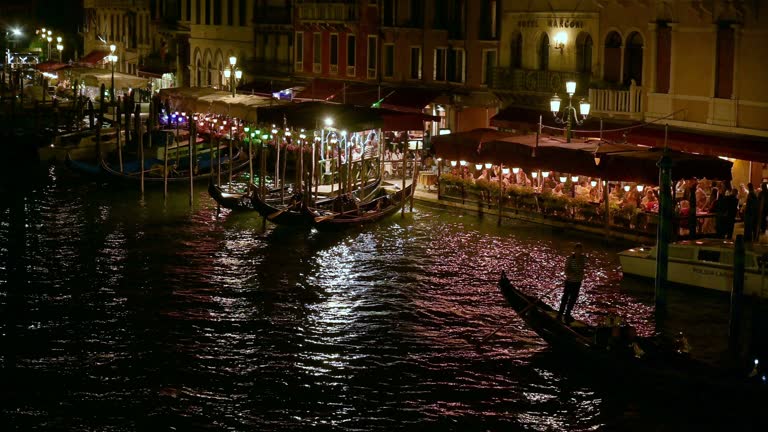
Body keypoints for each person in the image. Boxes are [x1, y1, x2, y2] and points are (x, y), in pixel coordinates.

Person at [557, 243, 586, 323]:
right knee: (565, 298)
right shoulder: (570, 259)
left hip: (577, 282)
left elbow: (584, 267)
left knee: (573, 299)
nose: (579, 251)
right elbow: (566, 270)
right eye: (577, 250)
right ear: (574, 250)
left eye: (580, 250)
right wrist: (570, 274)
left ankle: (567, 314)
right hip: (570, 282)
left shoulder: (583, 259)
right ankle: (560, 314)